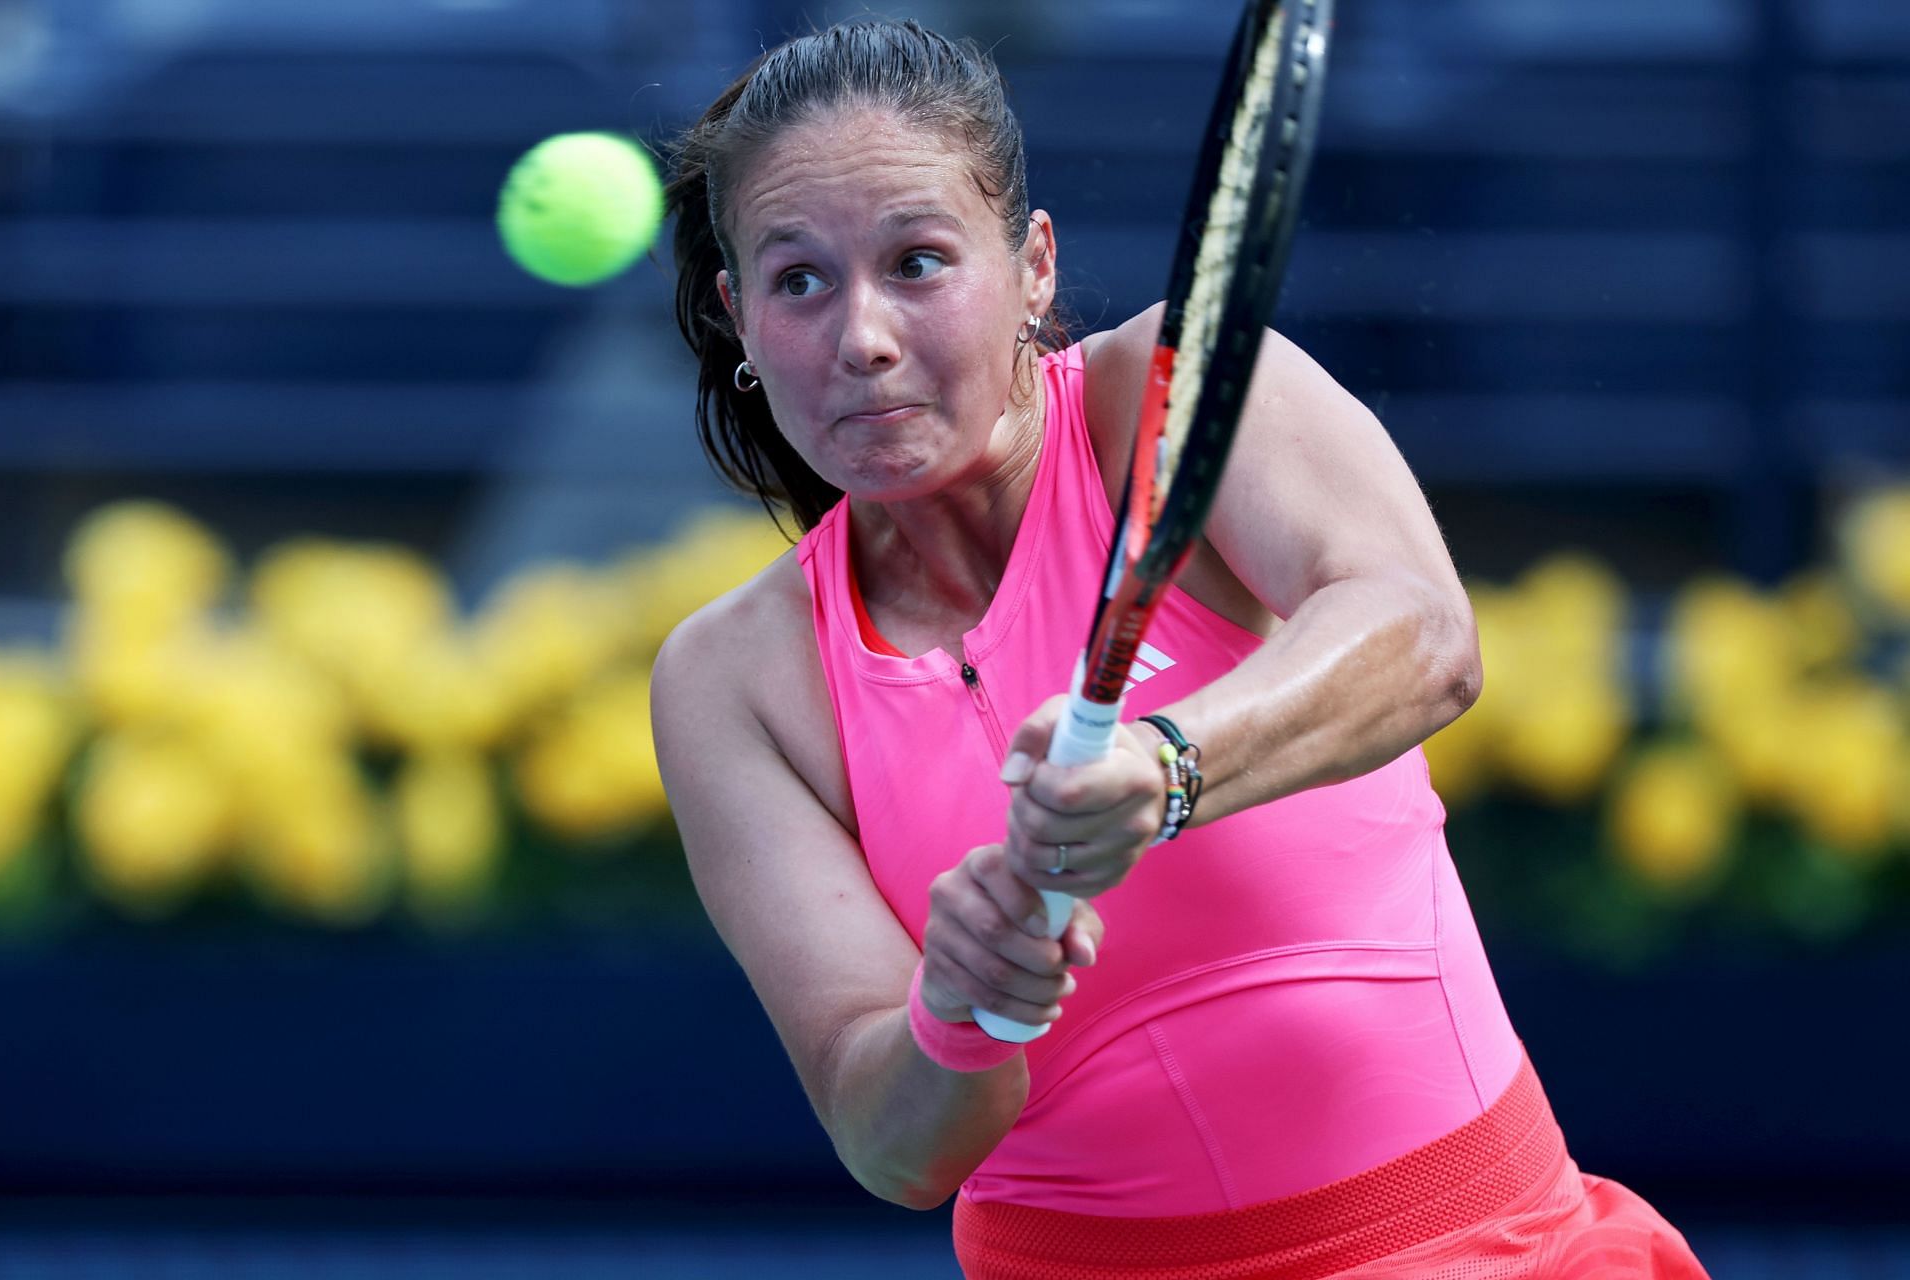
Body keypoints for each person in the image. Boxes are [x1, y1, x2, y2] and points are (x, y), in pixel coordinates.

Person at [651, 18, 1710, 1279]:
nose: (863, 337)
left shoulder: (1169, 389)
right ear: (739, 314)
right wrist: (963, 1004)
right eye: (801, 281)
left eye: (920, 261)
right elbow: (892, 1146)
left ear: (1033, 265)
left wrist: (1161, 769)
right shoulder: (733, 680)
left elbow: (1424, 634)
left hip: (1479, 1246)